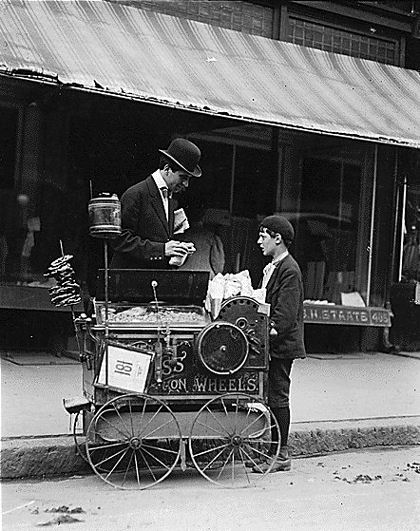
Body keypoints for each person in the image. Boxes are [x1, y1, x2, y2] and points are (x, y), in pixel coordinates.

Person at [252, 215, 306, 473]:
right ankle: (273, 452)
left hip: (282, 345)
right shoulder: (274, 267)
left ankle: (281, 453)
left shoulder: (290, 270)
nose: (259, 241)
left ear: (278, 239)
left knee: (278, 396)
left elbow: (284, 318)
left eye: (264, 236)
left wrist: (264, 335)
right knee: (272, 397)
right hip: (272, 342)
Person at [110, 138, 202, 269]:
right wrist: (162, 249)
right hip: (131, 279)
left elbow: (161, 239)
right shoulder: (136, 194)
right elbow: (120, 240)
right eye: (183, 177)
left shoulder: (169, 199)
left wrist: (179, 249)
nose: (186, 184)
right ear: (167, 169)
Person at [178, 205, 225, 279]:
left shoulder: (181, 237)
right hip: (206, 277)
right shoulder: (212, 237)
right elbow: (218, 266)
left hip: (182, 276)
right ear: (203, 217)